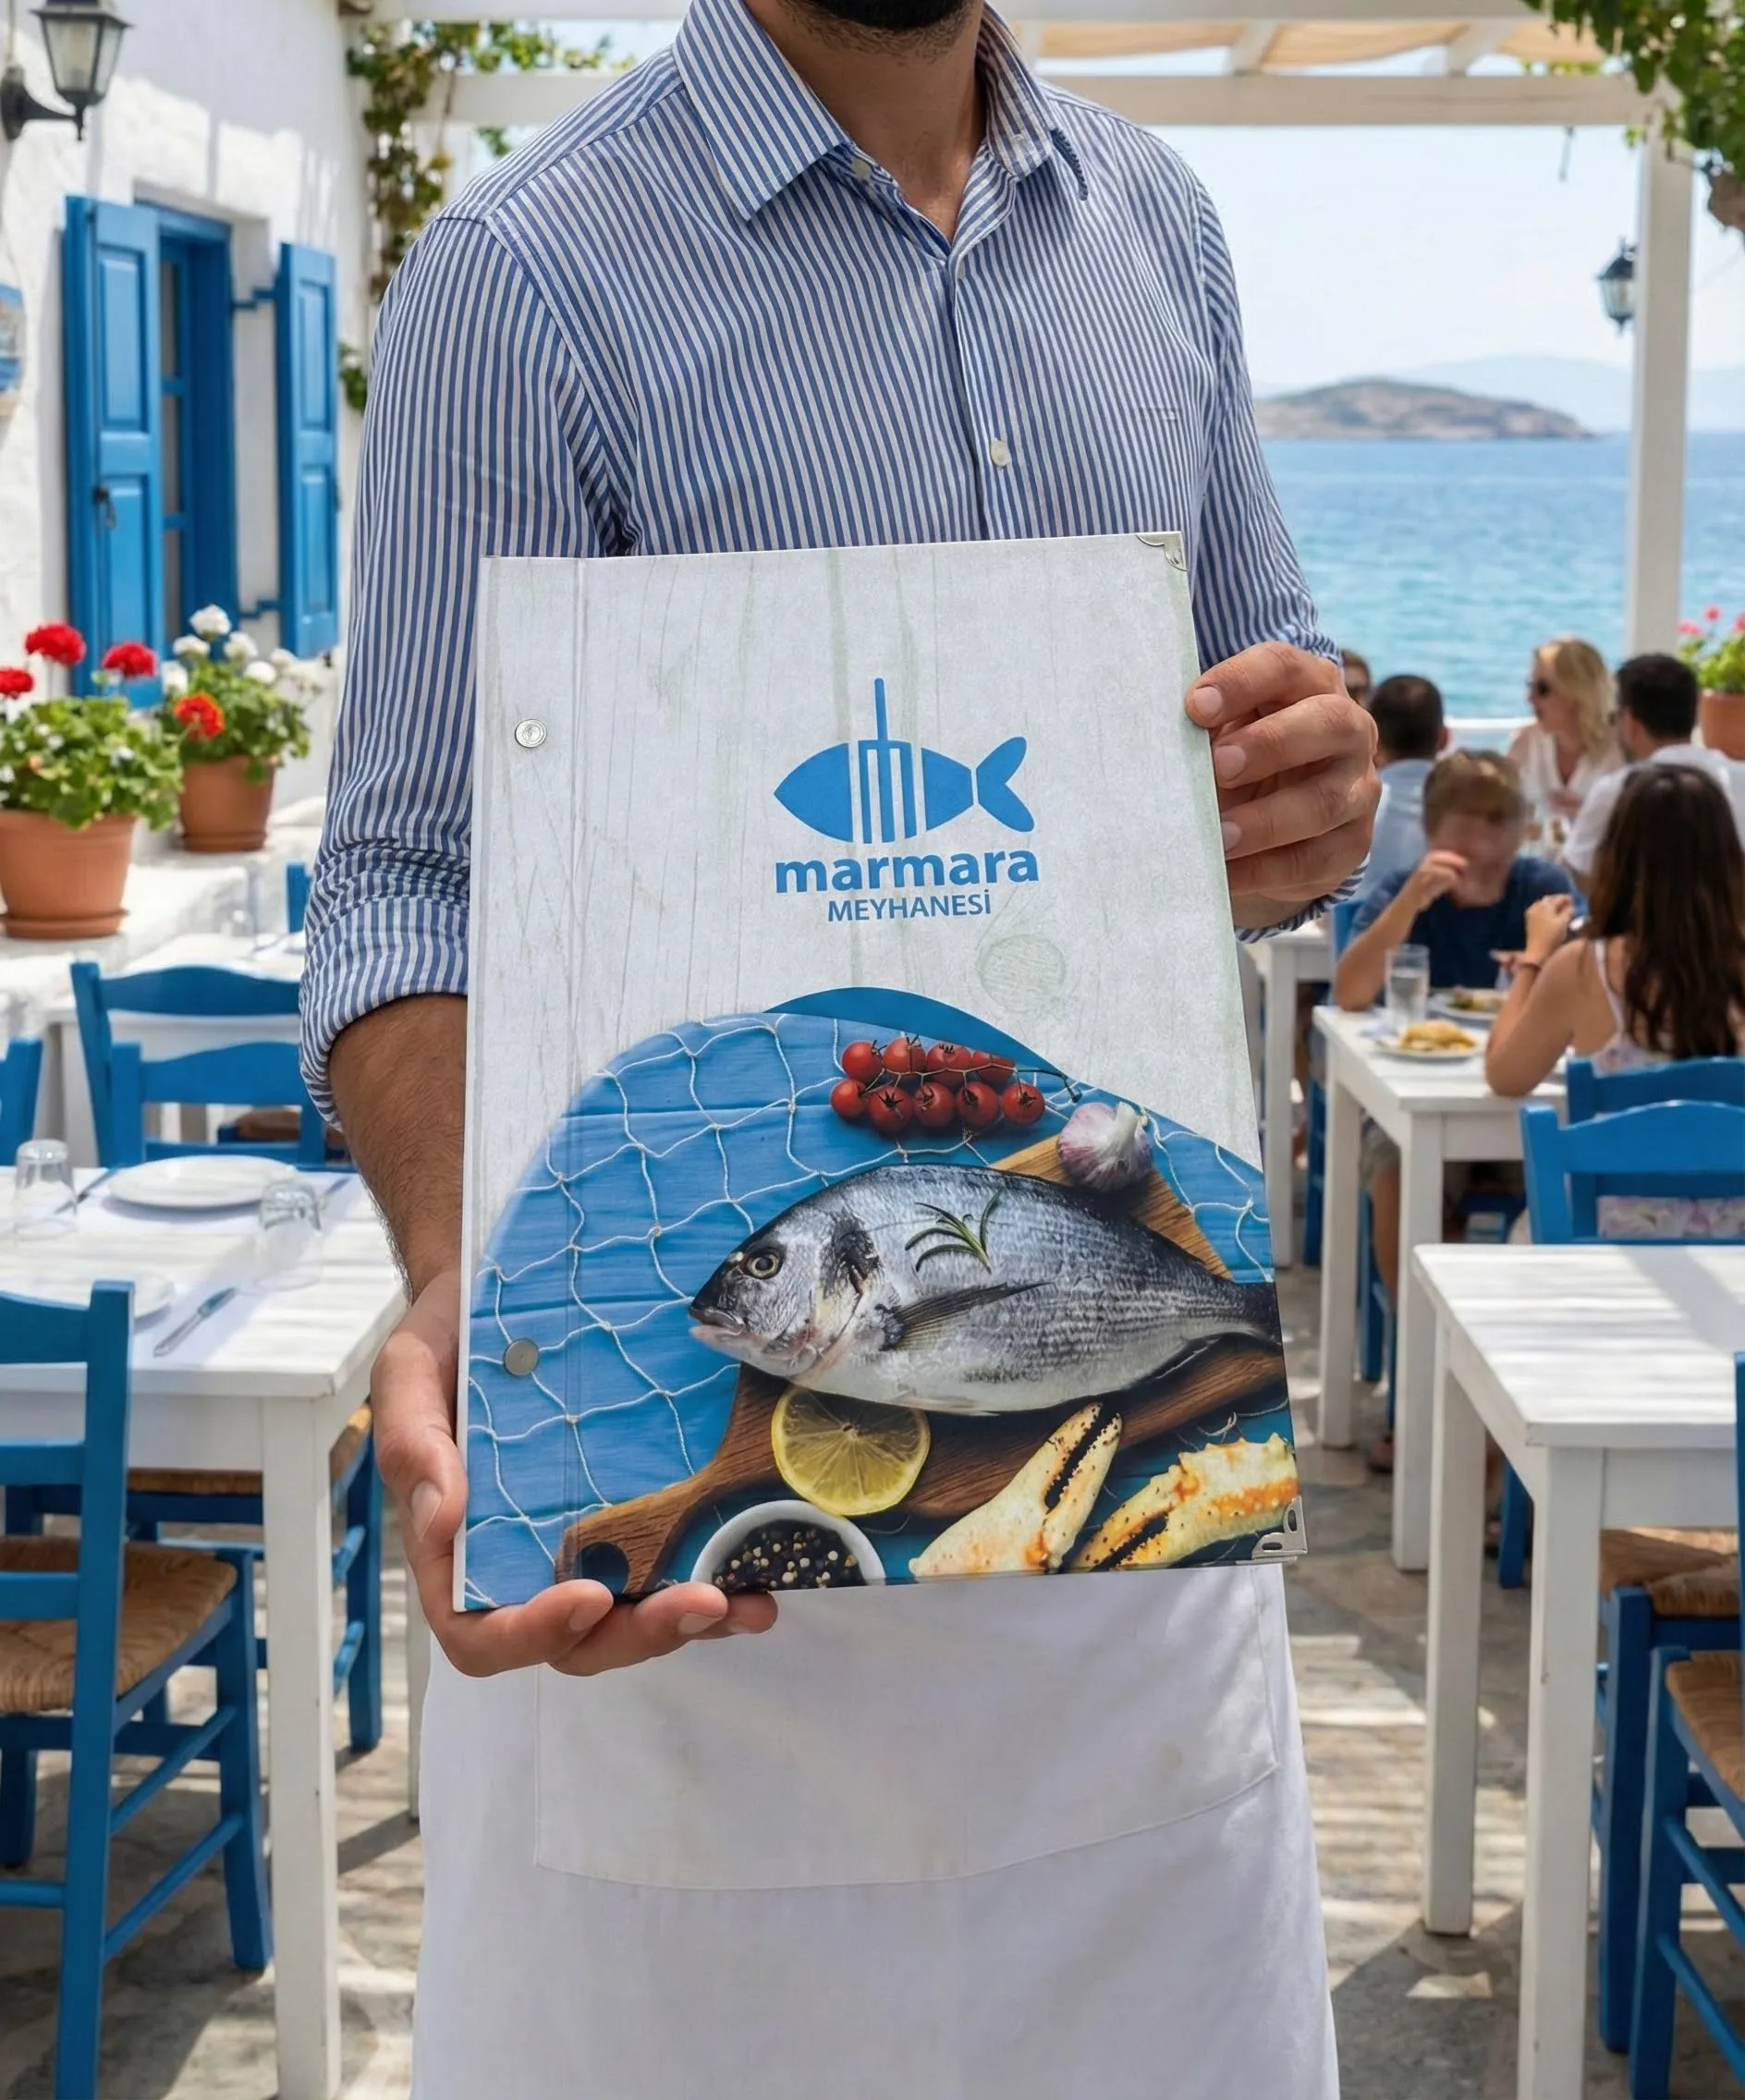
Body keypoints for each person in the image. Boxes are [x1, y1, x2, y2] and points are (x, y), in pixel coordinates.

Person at [301, 4, 1379, 2092]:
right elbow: (412, 876)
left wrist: (1306, 797)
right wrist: (452, 1264)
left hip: (1132, 1602)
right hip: (694, 1634)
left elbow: (1258, 756)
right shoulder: (524, 275)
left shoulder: (1156, 223)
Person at [1334, 752, 1576, 1379]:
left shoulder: (1540, 890)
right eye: (1468, 855)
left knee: (1565, 1177)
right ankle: (1422, 1364)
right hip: (1422, 1095)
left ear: (1520, 834)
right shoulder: (1406, 890)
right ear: (1433, 835)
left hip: (1519, 1104)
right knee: (1397, 1169)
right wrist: (1408, 904)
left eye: (1498, 852)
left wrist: (1543, 954)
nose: (1484, 869)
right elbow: (1351, 993)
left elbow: (1587, 986)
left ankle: (1519, 1364)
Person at [1485, 763, 1745, 1237]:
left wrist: (1534, 957)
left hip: (1613, 1237)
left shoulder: (1587, 969)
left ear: (1617, 859)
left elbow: (1505, 1075)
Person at [1560, 652, 1745, 888]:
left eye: (1614, 717)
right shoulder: (1738, 777)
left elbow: (1577, 871)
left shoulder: (1617, 791)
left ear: (1629, 721)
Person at [1507, 635, 1621, 850]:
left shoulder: (1620, 750)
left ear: (1577, 693)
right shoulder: (1525, 743)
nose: (1529, 698)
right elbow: (1498, 811)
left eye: (1542, 689)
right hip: (1540, 870)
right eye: (1530, 686)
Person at [1356, 672, 1447, 902]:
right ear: (1445, 738)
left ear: (1374, 741)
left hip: (1359, 920)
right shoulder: (1466, 802)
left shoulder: (1357, 806)